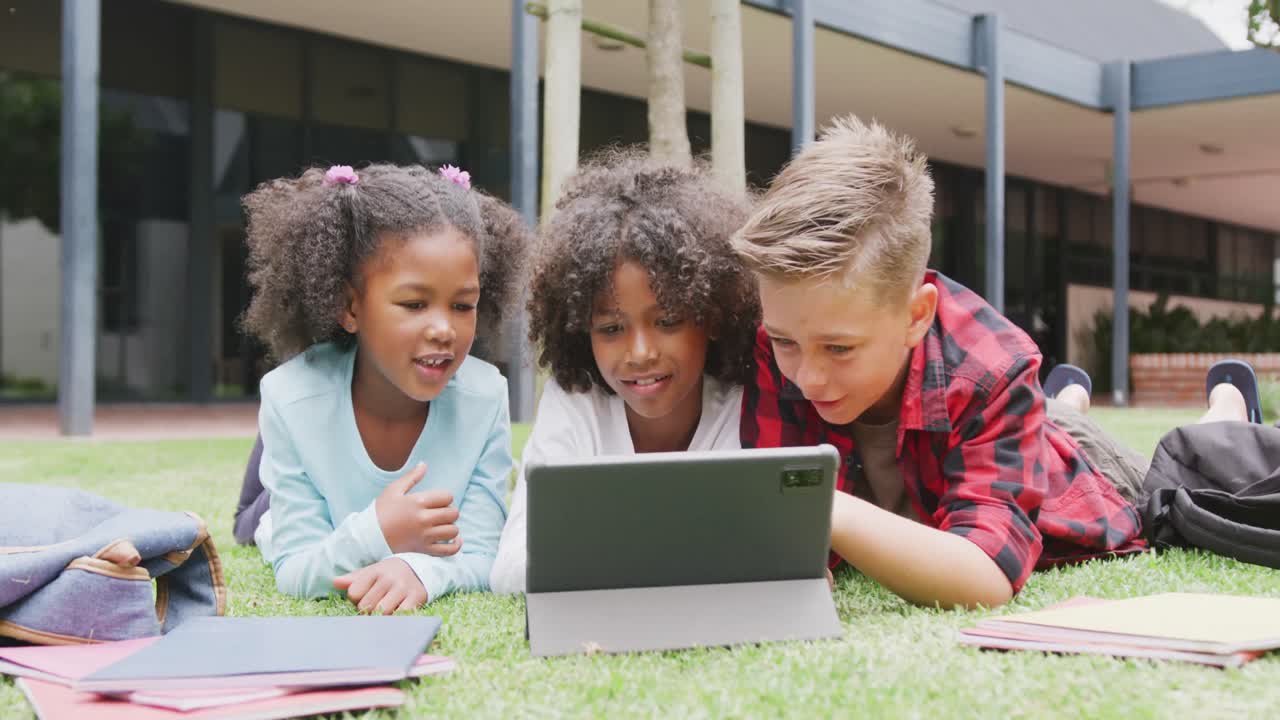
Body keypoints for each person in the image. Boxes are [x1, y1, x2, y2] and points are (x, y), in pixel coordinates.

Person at [732, 116, 1147, 610]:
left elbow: (986, 576)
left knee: (1186, 466)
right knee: (1058, 412)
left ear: (916, 315)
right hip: (1001, 428)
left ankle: (1221, 404)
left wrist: (818, 507)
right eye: (785, 343)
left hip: (1087, 473)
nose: (807, 377)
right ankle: (1066, 400)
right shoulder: (785, 338)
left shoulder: (994, 368)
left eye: (839, 349)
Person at [236, 163, 528, 613]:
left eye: (462, 305)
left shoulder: (486, 395)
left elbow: (483, 554)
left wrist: (419, 569)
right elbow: (295, 571)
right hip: (307, 433)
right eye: (414, 304)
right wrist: (377, 531)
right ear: (349, 307)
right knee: (257, 523)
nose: (443, 329)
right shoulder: (290, 396)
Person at [489, 150, 759, 593]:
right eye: (611, 328)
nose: (640, 352)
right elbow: (512, 570)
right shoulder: (575, 404)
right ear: (580, 330)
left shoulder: (739, 402)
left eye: (668, 320)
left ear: (711, 315)